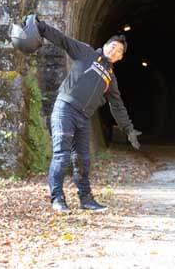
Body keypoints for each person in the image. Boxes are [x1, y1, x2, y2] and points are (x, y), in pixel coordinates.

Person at [32, 16, 142, 213]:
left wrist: (129, 129)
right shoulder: (87, 53)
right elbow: (63, 40)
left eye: (118, 51)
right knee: (62, 156)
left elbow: (117, 106)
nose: (114, 50)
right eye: (112, 46)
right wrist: (41, 27)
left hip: (83, 118)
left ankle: (86, 199)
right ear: (105, 45)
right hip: (65, 109)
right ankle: (57, 199)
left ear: (120, 58)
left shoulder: (110, 78)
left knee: (83, 159)